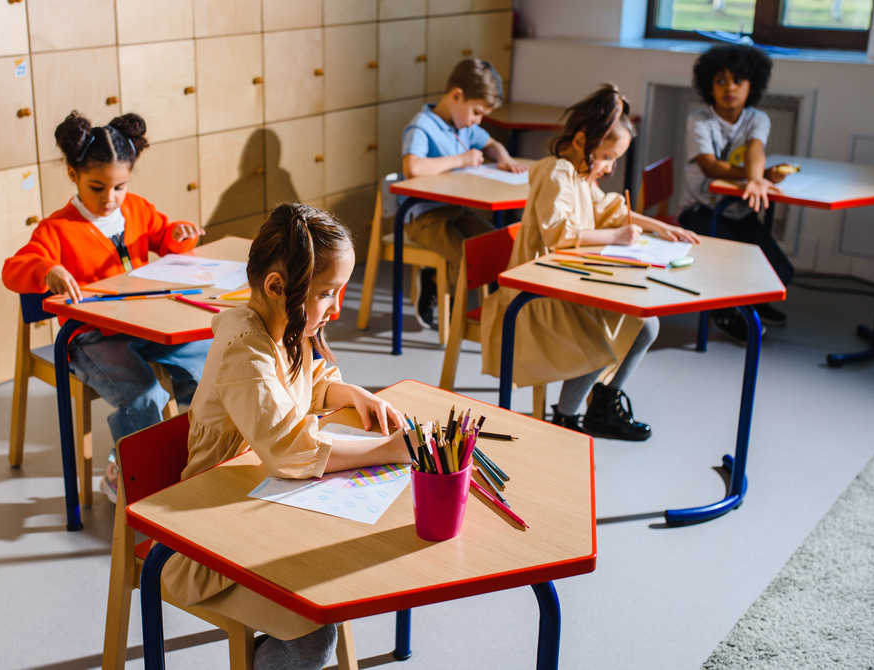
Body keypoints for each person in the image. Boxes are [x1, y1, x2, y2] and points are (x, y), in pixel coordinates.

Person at [162, 203, 411, 670]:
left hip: (262, 506)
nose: (337, 309)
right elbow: (288, 451)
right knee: (313, 635)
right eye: (327, 293)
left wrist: (350, 392)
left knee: (342, 576)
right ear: (277, 286)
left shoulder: (283, 325)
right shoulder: (244, 346)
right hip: (211, 536)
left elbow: (304, 385)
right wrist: (392, 449)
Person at [1, 111, 207, 503]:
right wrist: (49, 269)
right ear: (72, 174)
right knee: (145, 396)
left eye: (119, 187)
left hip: (144, 323)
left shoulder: (137, 210)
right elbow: (13, 270)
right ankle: (127, 471)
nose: (108, 199)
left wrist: (178, 235)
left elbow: (165, 239)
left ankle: (196, 453)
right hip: (90, 338)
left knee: (208, 363)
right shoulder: (56, 229)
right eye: (97, 186)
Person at [480, 85, 699, 441]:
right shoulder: (554, 172)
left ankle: (603, 403)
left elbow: (608, 208)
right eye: (608, 157)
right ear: (582, 141)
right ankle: (565, 419)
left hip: (564, 286)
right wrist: (615, 237)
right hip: (535, 298)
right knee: (601, 336)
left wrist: (656, 225)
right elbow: (559, 233)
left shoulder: (578, 174)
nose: (610, 168)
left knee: (646, 325)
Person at [677, 44, 795, 344]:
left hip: (737, 210)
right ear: (709, 87)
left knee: (781, 271)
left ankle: (749, 302)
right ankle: (727, 313)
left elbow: (756, 148)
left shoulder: (757, 118)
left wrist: (759, 177)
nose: (729, 87)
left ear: (751, 85)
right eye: (720, 81)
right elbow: (710, 166)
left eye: (737, 80)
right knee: (732, 264)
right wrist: (759, 176)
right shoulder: (699, 120)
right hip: (698, 210)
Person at [401, 57, 527, 330]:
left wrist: (503, 157)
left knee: (496, 243)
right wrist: (460, 159)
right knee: (464, 256)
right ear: (456, 96)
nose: (478, 121)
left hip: (456, 209)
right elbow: (412, 166)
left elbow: (490, 142)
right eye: (477, 113)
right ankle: (448, 308)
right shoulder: (423, 125)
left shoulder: (464, 125)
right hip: (423, 216)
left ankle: (488, 308)